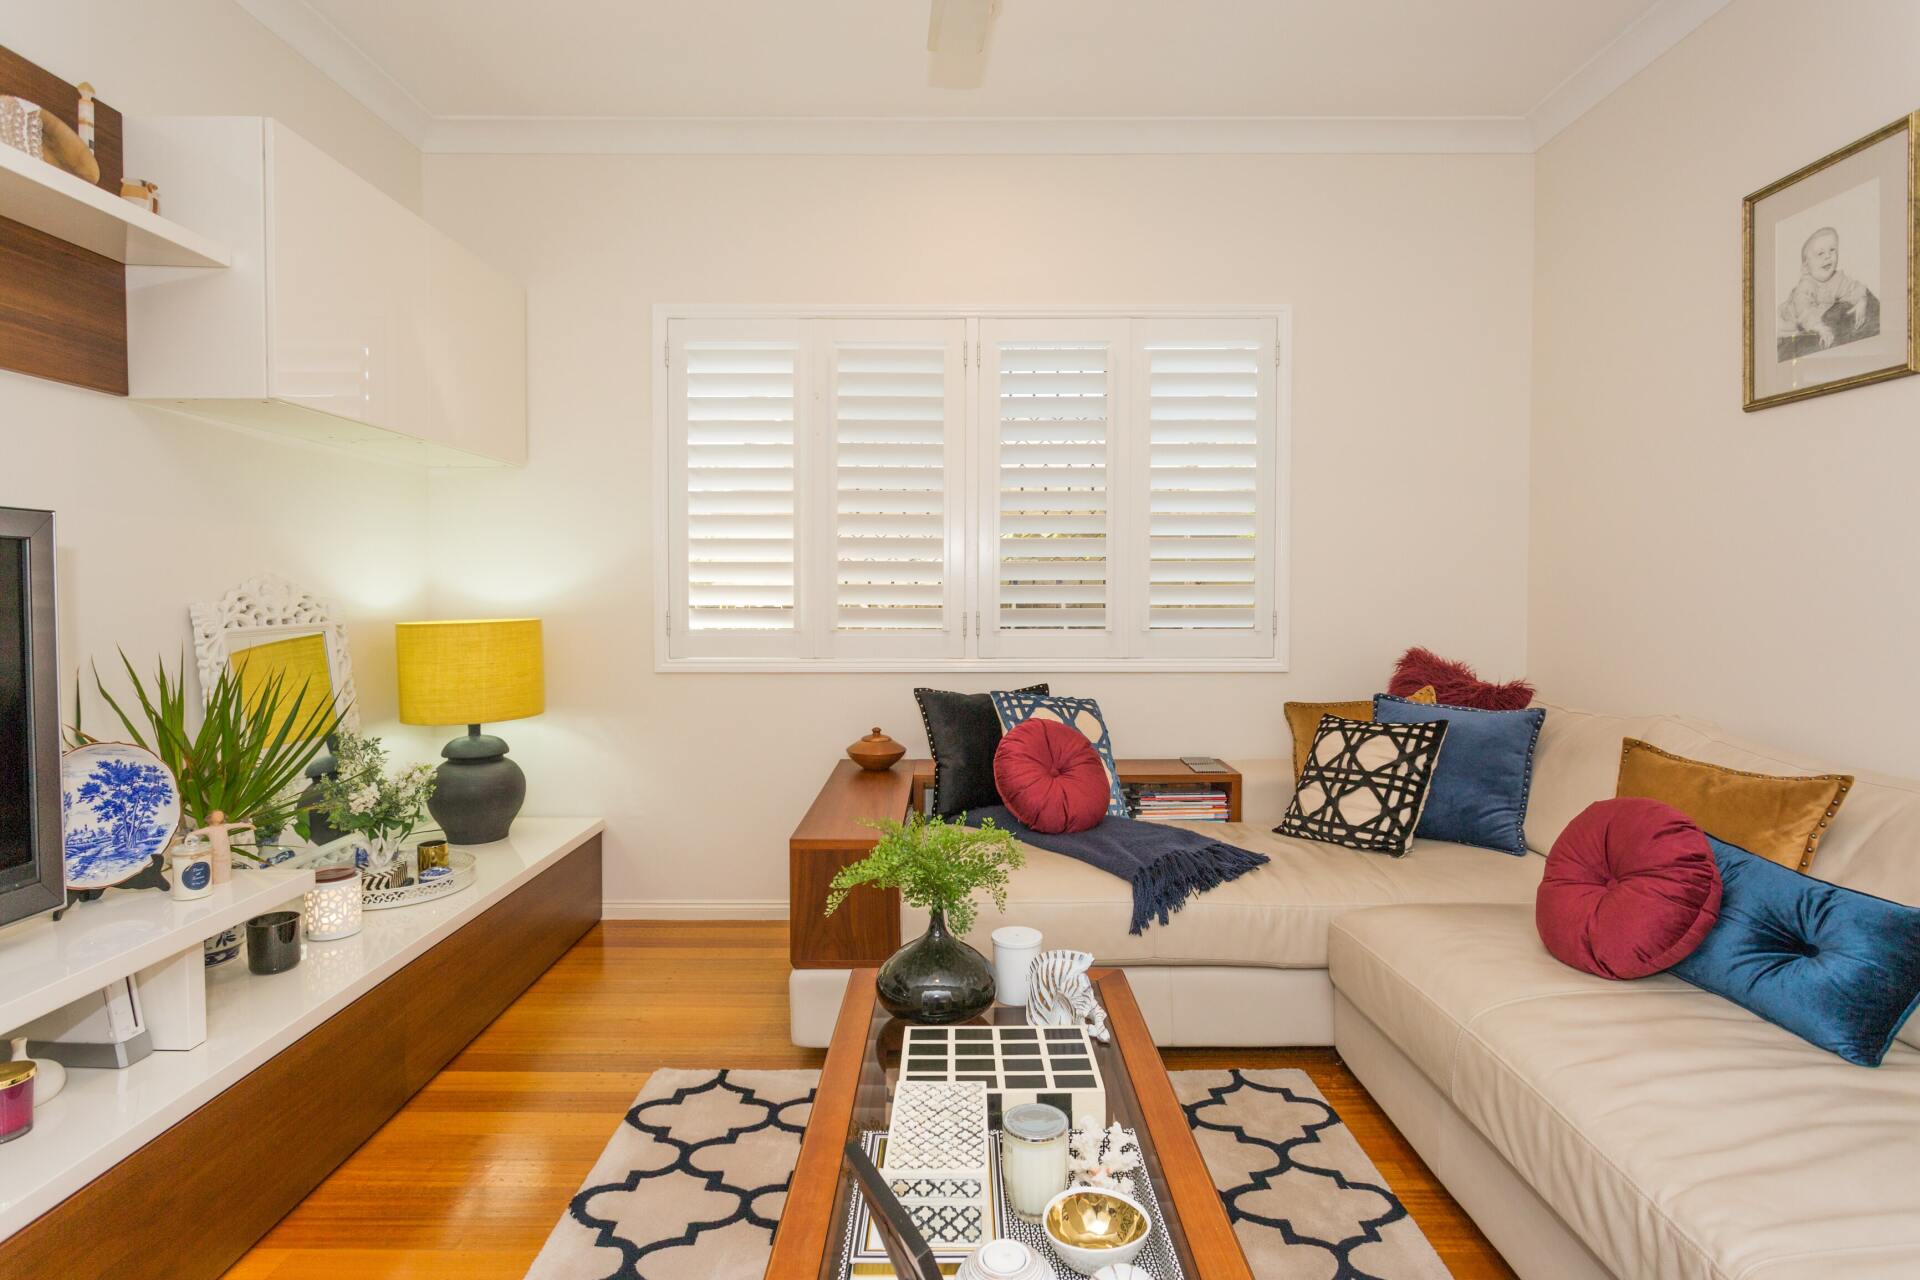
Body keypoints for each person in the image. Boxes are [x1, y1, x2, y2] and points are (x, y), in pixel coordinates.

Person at [1778, 226, 1873, 351]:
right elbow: (1804, 311)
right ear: (1806, 267)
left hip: (1818, 319)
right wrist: (1820, 327)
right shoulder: (1806, 285)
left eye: (1832, 250)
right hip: (1791, 321)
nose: (1828, 256)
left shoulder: (1837, 278)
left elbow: (1853, 287)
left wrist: (1861, 300)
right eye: (1820, 253)